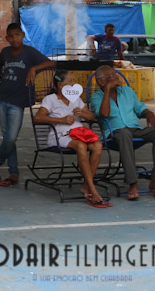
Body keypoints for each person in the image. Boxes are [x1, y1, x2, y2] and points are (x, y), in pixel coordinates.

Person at [90, 65, 155, 200]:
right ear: (101, 82)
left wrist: (148, 113)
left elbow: (139, 108)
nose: (116, 78)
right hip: (114, 133)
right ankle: (133, 182)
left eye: (115, 74)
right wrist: (108, 90)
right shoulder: (96, 97)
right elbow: (104, 114)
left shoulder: (127, 91)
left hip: (134, 129)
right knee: (123, 133)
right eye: (111, 76)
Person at [0, 22, 54, 187]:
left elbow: (51, 63)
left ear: (23, 35)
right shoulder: (5, 52)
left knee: (11, 137)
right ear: (7, 38)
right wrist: (3, 78)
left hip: (18, 101)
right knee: (7, 138)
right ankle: (14, 173)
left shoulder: (30, 52)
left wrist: (34, 69)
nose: (14, 39)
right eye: (11, 36)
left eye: (17, 35)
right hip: (3, 98)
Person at [35, 70, 110, 207]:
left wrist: (82, 113)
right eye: (70, 81)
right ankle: (92, 189)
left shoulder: (76, 99)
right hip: (60, 135)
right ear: (60, 85)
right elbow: (38, 117)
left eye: (73, 81)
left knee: (97, 145)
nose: (73, 83)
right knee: (81, 145)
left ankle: (86, 186)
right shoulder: (50, 99)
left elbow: (92, 117)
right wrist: (61, 120)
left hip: (80, 134)